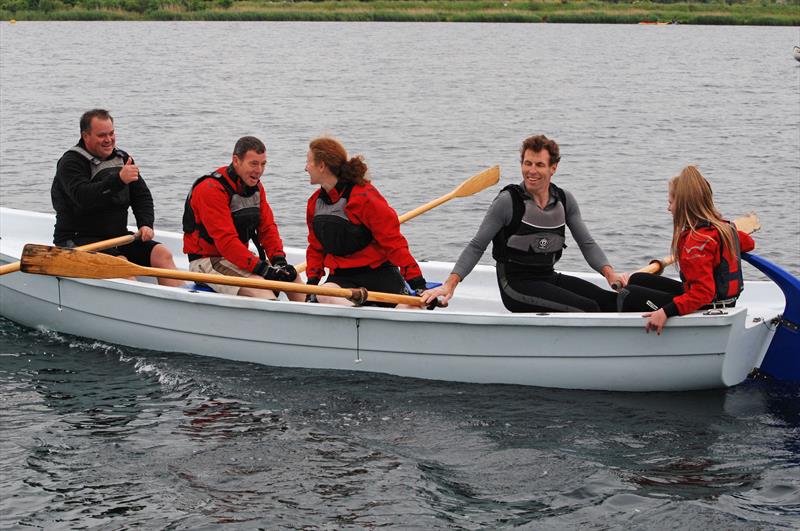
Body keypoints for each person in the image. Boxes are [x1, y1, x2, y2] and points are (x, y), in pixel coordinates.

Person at [420, 134, 626, 312]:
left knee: (611, 301)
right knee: (588, 308)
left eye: (539, 165)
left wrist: (609, 274)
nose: (532, 171)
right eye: (527, 163)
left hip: (548, 277)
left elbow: (587, 244)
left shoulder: (564, 200)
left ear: (553, 168)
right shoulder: (508, 202)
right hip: (515, 286)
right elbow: (476, 246)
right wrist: (450, 284)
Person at [51, 109, 183, 287]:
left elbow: (141, 196)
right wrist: (118, 180)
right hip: (79, 240)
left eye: (111, 133)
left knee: (162, 254)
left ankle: (177, 305)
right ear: (85, 136)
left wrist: (145, 223)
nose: (108, 140)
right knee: (120, 265)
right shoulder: (70, 163)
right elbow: (82, 197)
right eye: (101, 135)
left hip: (118, 237)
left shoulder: (123, 159)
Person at [617, 165, 755, 334]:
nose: (668, 208)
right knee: (638, 279)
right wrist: (725, 231)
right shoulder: (723, 230)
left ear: (683, 205)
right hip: (723, 300)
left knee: (629, 294)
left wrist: (665, 312)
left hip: (706, 305)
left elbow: (703, 293)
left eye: (670, 202)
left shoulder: (697, 242)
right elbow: (749, 243)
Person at [304, 137, 428, 307]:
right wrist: (312, 284)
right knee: (325, 295)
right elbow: (316, 248)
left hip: (379, 276)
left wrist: (418, 283)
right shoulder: (314, 204)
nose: (305, 168)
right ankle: (358, 318)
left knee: (411, 307)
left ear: (322, 166)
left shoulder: (364, 197)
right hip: (342, 278)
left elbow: (393, 243)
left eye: (308, 162)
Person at [182, 136, 303, 300]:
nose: (259, 170)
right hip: (207, 261)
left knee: (292, 278)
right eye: (253, 163)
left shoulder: (256, 187)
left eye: (263, 164)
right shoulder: (210, 189)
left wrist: (279, 261)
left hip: (238, 258)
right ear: (236, 161)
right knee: (263, 290)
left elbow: (267, 229)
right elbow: (226, 242)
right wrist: (263, 269)